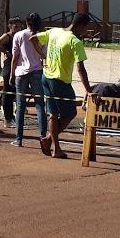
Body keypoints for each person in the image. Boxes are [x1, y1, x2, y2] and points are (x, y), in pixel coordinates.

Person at [38, 13, 97, 158]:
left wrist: (42, 56)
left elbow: (33, 39)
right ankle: (50, 142)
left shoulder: (55, 31)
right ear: (81, 26)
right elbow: (81, 68)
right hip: (59, 81)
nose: (85, 31)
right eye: (86, 28)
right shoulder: (75, 41)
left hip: (46, 76)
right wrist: (89, 90)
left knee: (53, 114)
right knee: (70, 113)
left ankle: (53, 146)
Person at [9, 13, 48, 148]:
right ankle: (43, 137)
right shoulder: (42, 36)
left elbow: (15, 57)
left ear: (26, 22)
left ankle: (19, 139)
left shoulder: (18, 35)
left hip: (21, 72)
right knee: (39, 106)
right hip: (37, 71)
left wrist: (11, 74)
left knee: (20, 106)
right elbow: (44, 55)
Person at [0, 21, 18, 129]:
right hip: (8, 66)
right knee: (8, 93)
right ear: (10, 26)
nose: (17, 27)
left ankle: (11, 116)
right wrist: (5, 52)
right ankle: (8, 119)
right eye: (15, 25)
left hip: (16, 67)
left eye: (19, 25)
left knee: (13, 94)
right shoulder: (7, 36)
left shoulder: (17, 36)